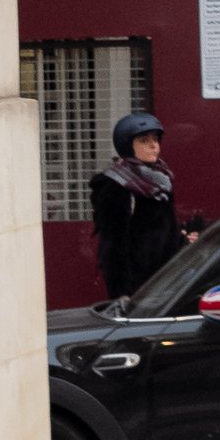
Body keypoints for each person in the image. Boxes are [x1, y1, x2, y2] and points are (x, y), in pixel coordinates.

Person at [87, 110, 190, 304]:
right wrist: (121, 294)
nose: (153, 146)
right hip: (137, 287)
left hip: (165, 282)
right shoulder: (116, 185)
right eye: (144, 141)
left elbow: (165, 228)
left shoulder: (160, 179)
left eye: (155, 139)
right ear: (127, 146)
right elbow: (113, 245)